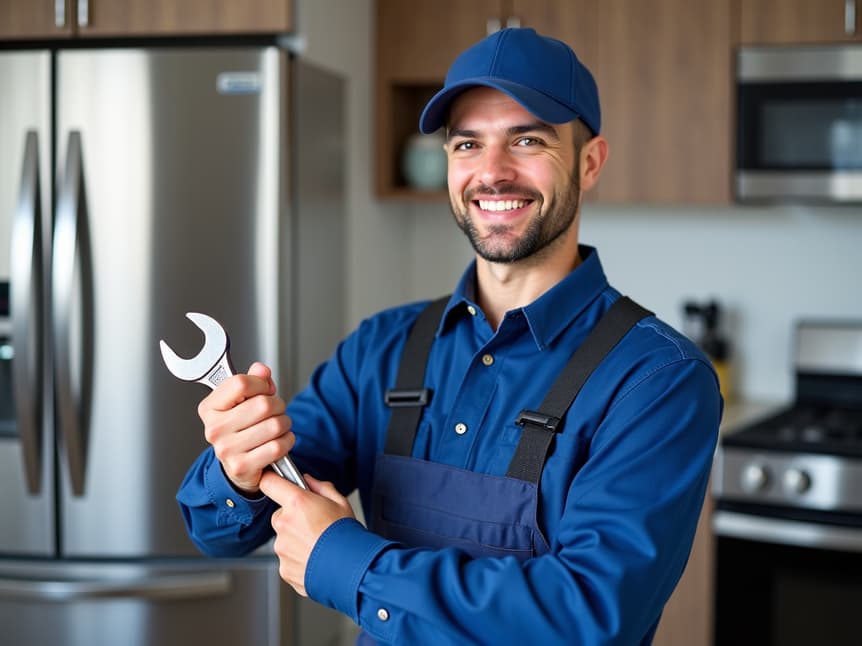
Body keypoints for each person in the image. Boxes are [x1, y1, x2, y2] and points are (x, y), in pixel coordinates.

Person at [177, 27, 722, 646]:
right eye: (468, 144)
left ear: (589, 162)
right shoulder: (383, 348)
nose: (492, 172)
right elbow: (220, 529)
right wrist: (240, 468)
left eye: (527, 140)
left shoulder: (658, 379)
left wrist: (348, 561)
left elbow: (588, 617)